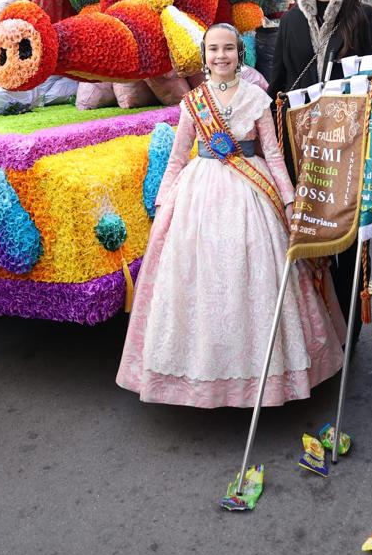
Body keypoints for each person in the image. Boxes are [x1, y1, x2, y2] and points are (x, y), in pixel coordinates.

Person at [117, 22, 346, 407]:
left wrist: (289, 202)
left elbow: (272, 154)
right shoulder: (194, 103)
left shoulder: (257, 98)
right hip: (198, 195)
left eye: (228, 48)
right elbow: (178, 156)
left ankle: (267, 378)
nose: (220, 55)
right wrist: (162, 202)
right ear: (204, 56)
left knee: (256, 275)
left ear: (240, 53)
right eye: (213, 49)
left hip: (251, 192)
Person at [268, 0, 372, 345]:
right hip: (305, 145)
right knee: (310, 236)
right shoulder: (291, 21)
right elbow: (279, 79)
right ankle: (320, 331)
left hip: (349, 144)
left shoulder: (365, 17)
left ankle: (350, 332)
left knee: (346, 237)